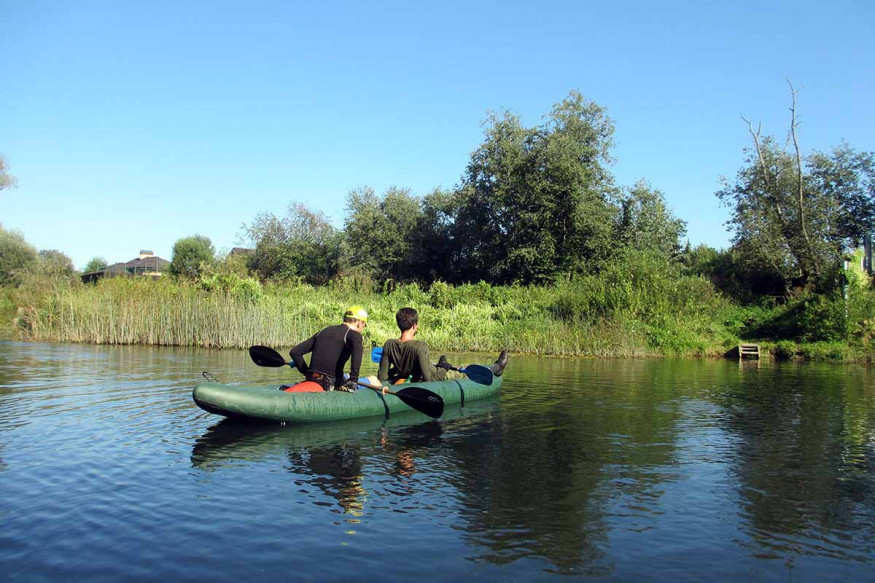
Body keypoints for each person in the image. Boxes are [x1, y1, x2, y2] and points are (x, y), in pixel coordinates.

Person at [377, 307, 508, 384]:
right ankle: (497, 367)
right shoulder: (420, 346)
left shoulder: (389, 344)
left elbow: (382, 378)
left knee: (439, 364)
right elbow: (431, 379)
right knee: (463, 369)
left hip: (421, 372)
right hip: (438, 375)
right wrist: (445, 368)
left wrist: (397, 371)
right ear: (414, 325)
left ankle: (497, 367)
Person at [289, 305, 377, 392]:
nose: (362, 328)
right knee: (373, 379)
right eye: (364, 325)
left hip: (312, 378)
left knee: (344, 375)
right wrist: (353, 381)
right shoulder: (355, 336)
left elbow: (295, 352)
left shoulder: (324, 331)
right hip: (330, 383)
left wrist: (307, 372)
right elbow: (356, 359)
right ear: (359, 323)